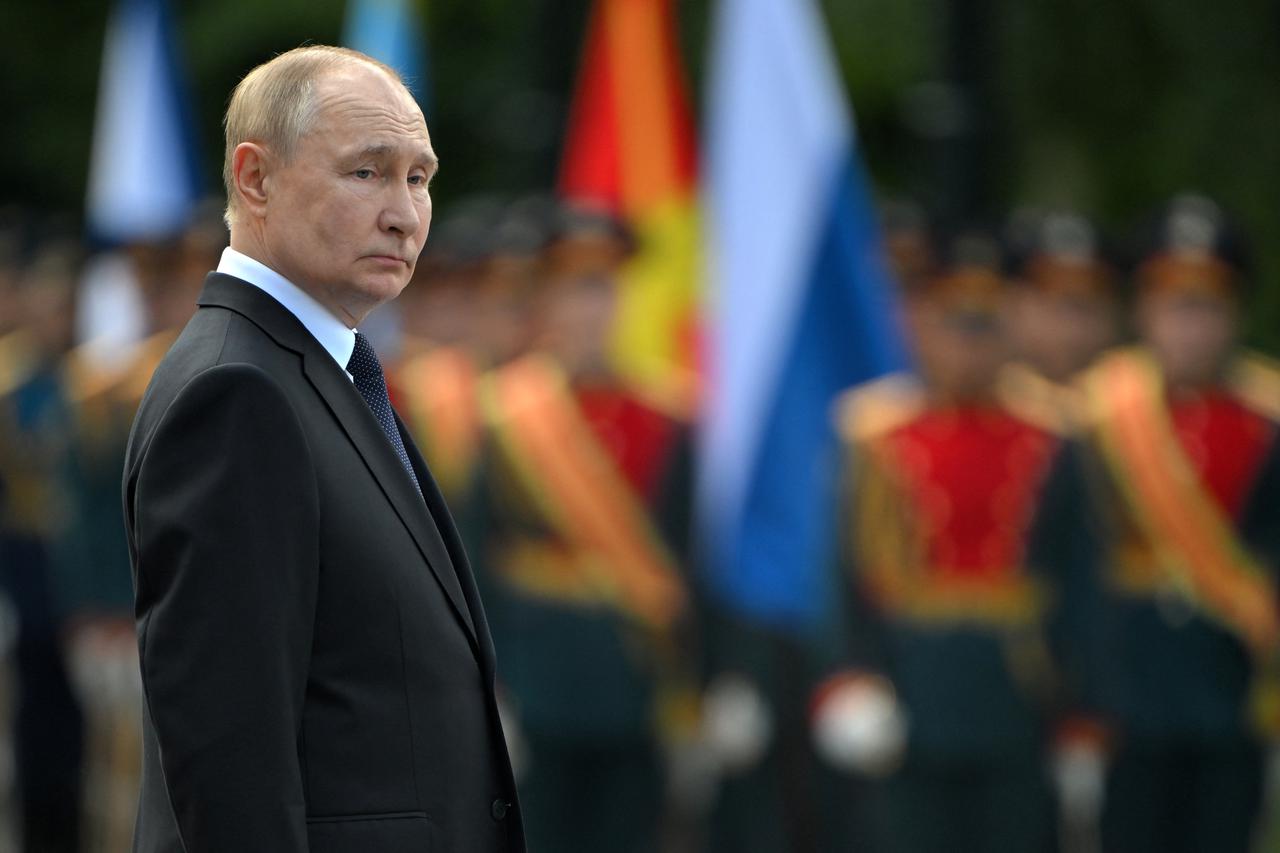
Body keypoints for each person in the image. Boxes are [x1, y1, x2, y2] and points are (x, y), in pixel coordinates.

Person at [122, 46, 522, 852]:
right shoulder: (239, 394)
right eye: (367, 173)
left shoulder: (317, 371)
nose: (406, 214)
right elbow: (226, 756)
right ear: (255, 179)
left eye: (420, 177)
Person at [812, 231, 1075, 853]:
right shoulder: (874, 433)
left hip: (1018, 690)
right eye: (952, 322)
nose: (968, 343)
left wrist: (1084, 713)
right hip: (911, 691)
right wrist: (851, 676)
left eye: (984, 324)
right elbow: (844, 575)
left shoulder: (1053, 432)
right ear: (918, 325)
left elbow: (1076, 577)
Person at [469, 202, 695, 853]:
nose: (588, 309)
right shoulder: (506, 413)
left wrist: (703, 683)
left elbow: (685, 558)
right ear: (543, 301)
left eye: (602, 288)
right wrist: (487, 689)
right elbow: (475, 562)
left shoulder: (671, 415)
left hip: (636, 678)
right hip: (538, 678)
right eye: (572, 289)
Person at [1078, 195, 1280, 853]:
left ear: (1235, 314)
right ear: (1143, 312)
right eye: (1175, 306)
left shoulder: (1266, 416)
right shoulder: (1100, 414)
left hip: (1233, 689)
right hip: (1129, 687)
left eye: (1208, 306)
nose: (1192, 326)